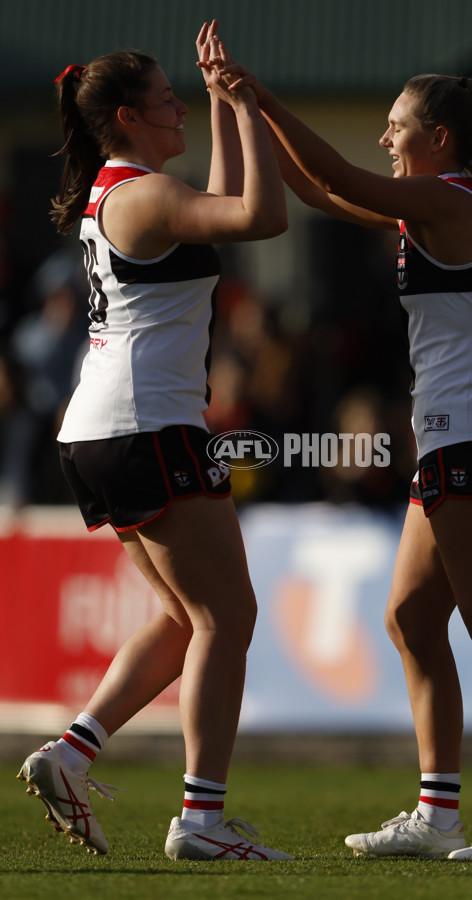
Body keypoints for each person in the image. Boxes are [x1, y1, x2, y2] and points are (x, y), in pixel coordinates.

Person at [217, 51, 472, 860]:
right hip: (458, 438)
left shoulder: (448, 200)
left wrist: (262, 95)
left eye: (398, 124)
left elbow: (340, 170)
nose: (384, 135)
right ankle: (438, 811)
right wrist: (243, 113)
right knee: (412, 618)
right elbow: (319, 189)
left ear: (439, 138)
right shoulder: (433, 207)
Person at [17, 21, 292, 862]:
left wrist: (218, 104)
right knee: (227, 616)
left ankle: (72, 752)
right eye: (171, 102)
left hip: (105, 427)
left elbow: (222, 215)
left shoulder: (126, 190)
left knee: (187, 616)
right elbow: (262, 216)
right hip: (146, 424)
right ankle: (201, 821)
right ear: (130, 119)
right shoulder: (143, 196)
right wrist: (246, 107)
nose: (182, 113)